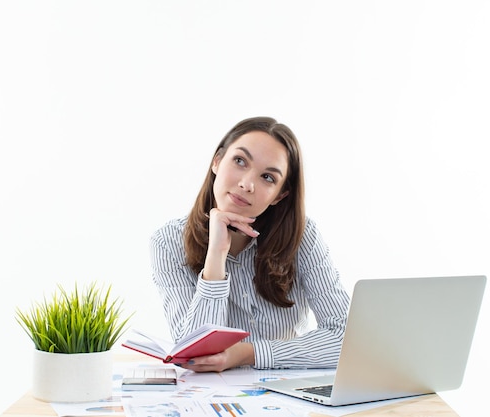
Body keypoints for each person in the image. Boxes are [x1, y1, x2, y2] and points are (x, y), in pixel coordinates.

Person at [150, 116, 350, 372]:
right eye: (240, 161)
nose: (247, 184)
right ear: (217, 161)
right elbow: (194, 354)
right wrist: (217, 255)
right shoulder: (168, 242)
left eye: (268, 177)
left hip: (286, 394)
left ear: (280, 195)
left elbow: (345, 337)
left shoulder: (302, 236)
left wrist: (249, 353)